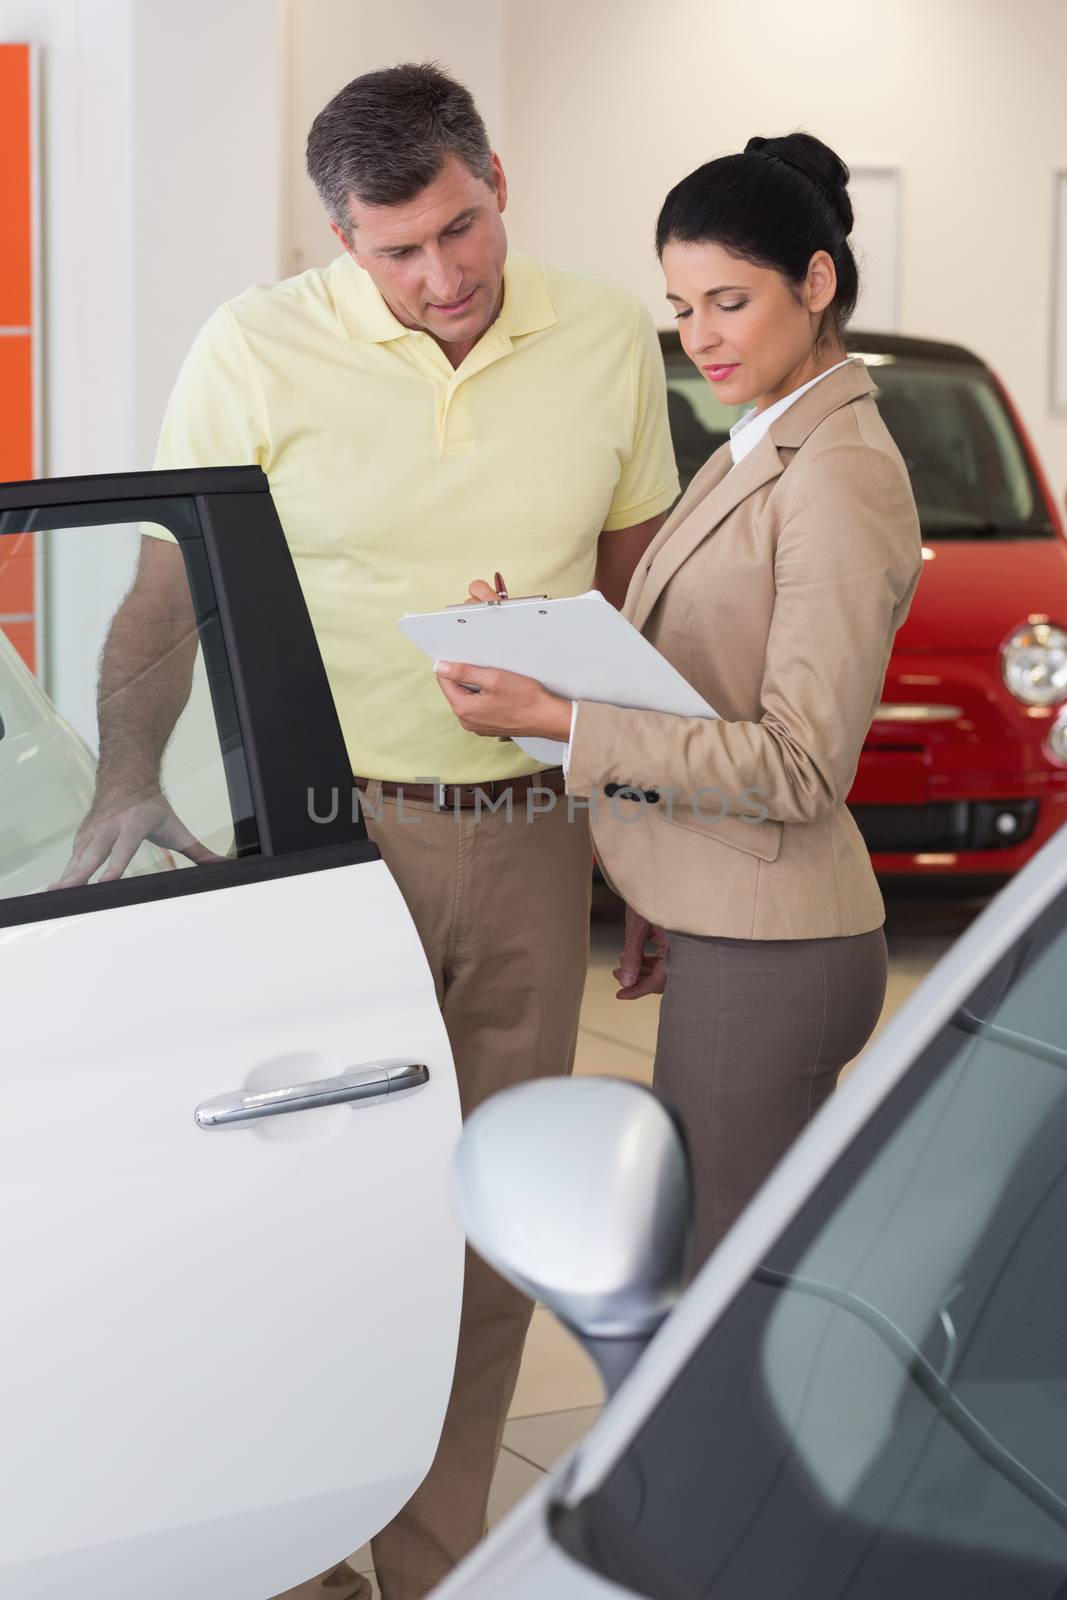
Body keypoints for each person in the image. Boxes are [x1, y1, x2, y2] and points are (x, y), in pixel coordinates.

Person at [55, 63, 678, 1600]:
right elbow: (161, 588)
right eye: (397, 250)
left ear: (497, 180)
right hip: (326, 853)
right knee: (318, 1218)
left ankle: (435, 1554)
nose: (443, 277)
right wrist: (125, 779)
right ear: (338, 236)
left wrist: (648, 829)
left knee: (492, 1224)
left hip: (534, 832)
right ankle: (307, 1562)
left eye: (461, 229)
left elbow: (638, 596)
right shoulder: (252, 348)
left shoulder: (602, 332)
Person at [434, 132, 923, 1272]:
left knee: (717, 1292)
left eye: (728, 300)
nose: (699, 335)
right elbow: (694, 674)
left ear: (815, 283)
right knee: (723, 1279)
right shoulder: (756, 437)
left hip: (777, 943)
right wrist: (542, 652)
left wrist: (556, 721)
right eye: (680, 304)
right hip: (727, 918)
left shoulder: (837, 469)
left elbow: (799, 767)